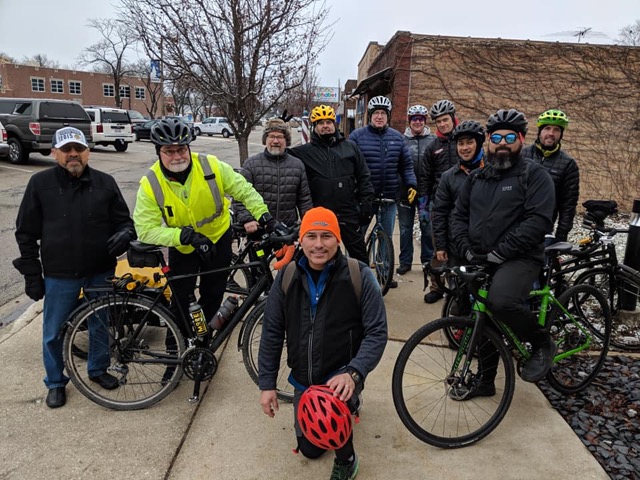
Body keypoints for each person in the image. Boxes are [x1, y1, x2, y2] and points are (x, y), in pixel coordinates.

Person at [258, 206, 387, 480]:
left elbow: (377, 332)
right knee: (310, 449)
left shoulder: (359, 275)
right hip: (304, 378)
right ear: (301, 240)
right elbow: (271, 331)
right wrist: (267, 384)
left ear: (337, 239)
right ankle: (338, 409)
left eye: (326, 236)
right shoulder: (287, 276)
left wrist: (354, 372)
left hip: (341, 374)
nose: (319, 244)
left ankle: (347, 459)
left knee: (332, 416)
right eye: (312, 236)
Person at [13, 127, 136, 408]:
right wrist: (32, 274)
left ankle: (98, 369)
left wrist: (125, 234)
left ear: (87, 152)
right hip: (60, 274)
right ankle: (56, 381)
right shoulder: (39, 184)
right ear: (54, 153)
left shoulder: (105, 183)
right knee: (53, 331)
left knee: (100, 324)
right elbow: (26, 233)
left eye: (78, 149)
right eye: (66, 149)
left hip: (100, 270)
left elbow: (125, 222)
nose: (73, 155)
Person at [133, 118, 284, 326]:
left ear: (188, 148)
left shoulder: (210, 165)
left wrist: (264, 217)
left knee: (213, 294)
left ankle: (204, 338)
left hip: (218, 238)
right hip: (183, 246)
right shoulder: (151, 182)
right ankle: (177, 341)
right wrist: (183, 236)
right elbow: (145, 230)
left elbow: (244, 191)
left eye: (181, 149)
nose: (177, 156)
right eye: (169, 151)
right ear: (159, 152)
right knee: (180, 299)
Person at [450, 109, 556, 393]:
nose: (502, 144)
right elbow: (458, 216)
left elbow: (538, 221)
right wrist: (466, 250)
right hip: (482, 257)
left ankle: (542, 342)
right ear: (488, 141)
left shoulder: (534, 175)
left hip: (520, 257)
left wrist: (501, 252)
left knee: (501, 301)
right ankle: (485, 382)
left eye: (510, 138)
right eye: (497, 138)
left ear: (521, 139)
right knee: (481, 312)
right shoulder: (477, 178)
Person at [290, 105, 374, 264]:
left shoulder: (350, 147)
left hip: (348, 212)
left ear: (334, 124)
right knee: (321, 258)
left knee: (360, 259)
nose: (325, 126)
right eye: (321, 123)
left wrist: (366, 205)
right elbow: (280, 154)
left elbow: (364, 176)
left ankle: (361, 281)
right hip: (321, 214)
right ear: (315, 126)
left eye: (328, 122)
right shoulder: (304, 152)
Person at [349, 96, 417, 288]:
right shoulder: (357, 137)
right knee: (357, 238)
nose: (379, 117)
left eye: (383, 113)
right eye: (376, 113)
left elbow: (406, 166)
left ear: (388, 116)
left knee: (386, 239)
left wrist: (411, 184)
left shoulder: (397, 138)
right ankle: (355, 273)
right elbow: (348, 165)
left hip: (389, 196)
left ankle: (384, 273)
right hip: (363, 198)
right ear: (370, 115)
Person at [233, 118, 312, 231]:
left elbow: (304, 200)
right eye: (271, 136)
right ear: (265, 139)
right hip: (259, 230)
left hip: (288, 231)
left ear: (286, 140)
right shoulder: (251, 164)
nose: (275, 141)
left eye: (280, 137)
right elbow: (239, 196)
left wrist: (309, 224)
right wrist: (247, 219)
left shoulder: (297, 165)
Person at [419, 99, 460, 303]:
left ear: (453, 119)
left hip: (463, 204)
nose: (443, 124)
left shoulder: (464, 141)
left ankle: (459, 285)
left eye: (445, 120)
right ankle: (436, 286)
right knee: (438, 247)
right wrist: (423, 207)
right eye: (439, 121)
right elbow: (425, 179)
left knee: (461, 246)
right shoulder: (432, 147)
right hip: (439, 204)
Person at [520, 109, 579, 244]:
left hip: (542, 230)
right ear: (540, 131)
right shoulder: (521, 155)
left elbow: (568, 205)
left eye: (556, 130)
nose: (551, 133)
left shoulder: (568, 164)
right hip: (514, 225)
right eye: (547, 128)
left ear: (561, 134)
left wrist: (560, 237)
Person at [432, 120, 486, 268]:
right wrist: (440, 246)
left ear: (479, 144)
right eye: (460, 144)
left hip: (486, 246)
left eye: (470, 143)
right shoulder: (448, 177)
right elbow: (440, 212)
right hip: (456, 246)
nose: (465, 148)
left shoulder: (493, 171)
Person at [396, 104, 436, 275]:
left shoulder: (433, 140)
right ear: (409, 121)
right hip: (405, 192)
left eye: (420, 119)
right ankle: (405, 262)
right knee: (405, 229)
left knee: (426, 228)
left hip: (425, 194)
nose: (417, 122)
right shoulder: (401, 141)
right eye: (414, 119)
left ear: (425, 121)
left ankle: (427, 261)